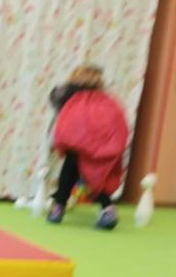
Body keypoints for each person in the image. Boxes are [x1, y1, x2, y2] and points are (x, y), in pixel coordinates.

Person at [46, 65, 128, 230]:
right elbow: (117, 126)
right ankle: (107, 208)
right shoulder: (107, 101)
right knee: (99, 177)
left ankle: (59, 205)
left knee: (70, 167)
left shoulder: (70, 97)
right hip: (101, 150)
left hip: (78, 147)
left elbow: (59, 108)